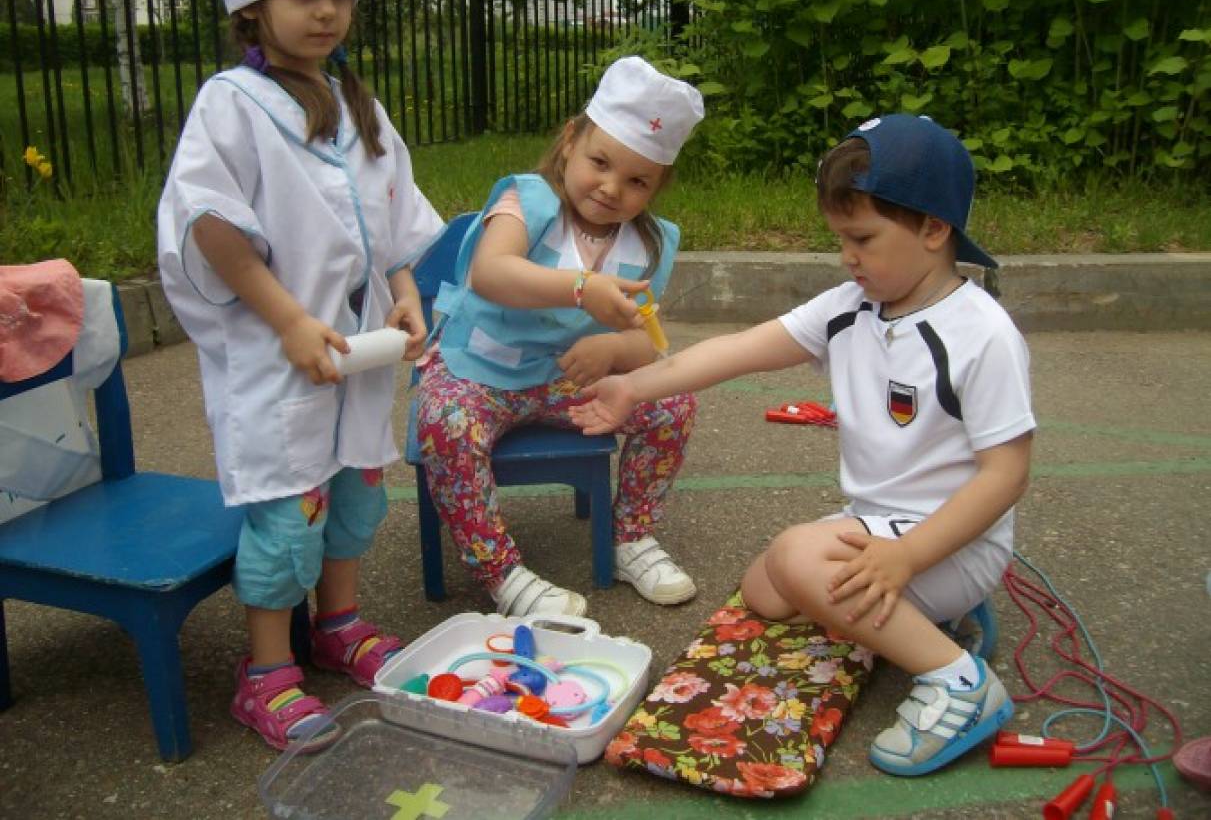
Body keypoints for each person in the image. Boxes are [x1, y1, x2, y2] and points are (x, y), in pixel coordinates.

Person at [571, 114, 1035, 776]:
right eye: (840, 238)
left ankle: (959, 680)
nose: (847, 256)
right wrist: (630, 388)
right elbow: (736, 351)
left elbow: (1005, 475)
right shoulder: (852, 304)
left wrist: (905, 559)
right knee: (766, 589)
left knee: (795, 556)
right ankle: (915, 616)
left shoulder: (980, 334)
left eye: (863, 238)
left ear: (934, 230)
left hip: (951, 538)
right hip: (879, 523)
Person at [157, 0, 444, 752]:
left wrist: (403, 293)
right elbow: (209, 221)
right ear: (251, 6)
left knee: (355, 492)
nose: (325, 11)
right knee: (288, 517)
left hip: (357, 350)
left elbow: (391, 212)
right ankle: (266, 671)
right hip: (280, 354)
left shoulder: (359, 103)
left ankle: (338, 625)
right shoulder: (231, 103)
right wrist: (285, 318)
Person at [414, 56, 704, 618]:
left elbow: (651, 341)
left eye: (638, 180)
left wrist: (614, 349)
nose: (611, 188)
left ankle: (632, 539)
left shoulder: (651, 244)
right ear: (570, 142)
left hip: (563, 383)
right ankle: (501, 572)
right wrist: (580, 287)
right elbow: (491, 273)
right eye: (600, 162)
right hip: (481, 373)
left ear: (658, 185)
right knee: (446, 424)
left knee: (672, 401)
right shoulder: (529, 200)